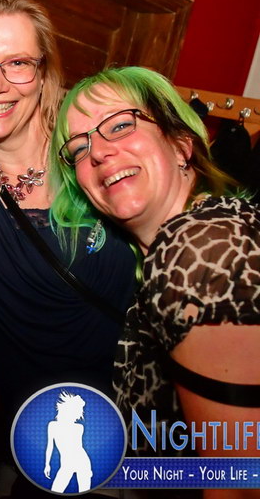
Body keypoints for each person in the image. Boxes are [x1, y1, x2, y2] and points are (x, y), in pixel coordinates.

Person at [0, 0, 137, 428]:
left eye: (17, 63)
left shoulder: (96, 156)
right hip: (32, 429)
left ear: (44, 73)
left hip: (145, 417)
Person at [50, 67, 260, 476]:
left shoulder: (202, 251)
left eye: (120, 125)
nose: (98, 152)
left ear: (181, 144)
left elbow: (239, 480)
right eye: (79, 147)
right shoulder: (184, 242)